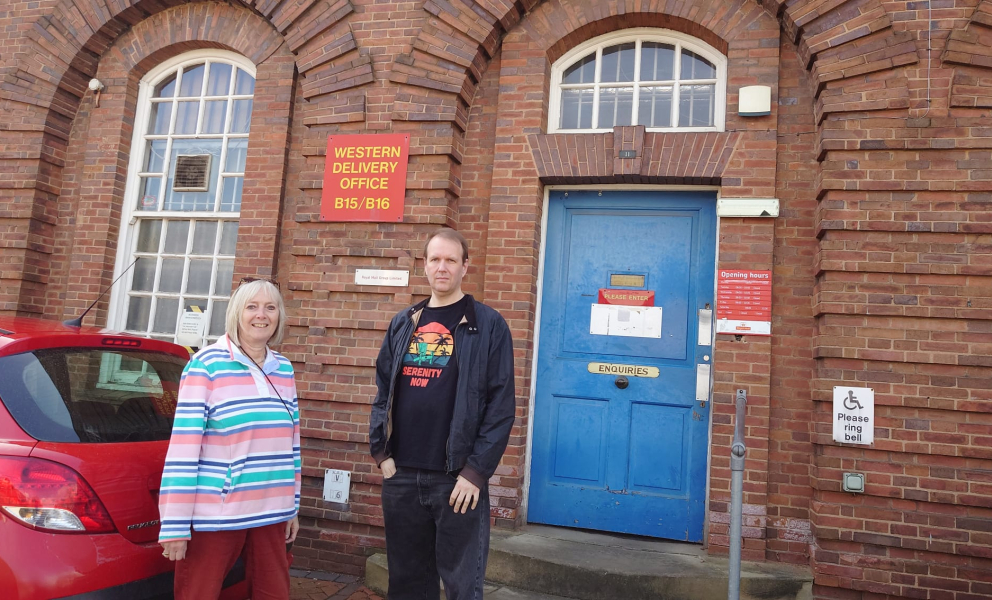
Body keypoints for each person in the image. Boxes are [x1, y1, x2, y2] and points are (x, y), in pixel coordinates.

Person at [369, 227, 516, 600]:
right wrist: (381, 453)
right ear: (424, 266)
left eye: (451, 260)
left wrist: (476, 472)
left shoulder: (489, 326)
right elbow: (383, 390)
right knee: (407, 584)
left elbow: (501, 409)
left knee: (462, 587)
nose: (442, 267)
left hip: (456, 481)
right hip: (402, 476)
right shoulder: (405, 322)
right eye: (435, 259)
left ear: (465, 266)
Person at [158, 278, 301, 600]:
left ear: (279, 315)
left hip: (272, 511)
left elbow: (292, 443)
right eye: (252, 306)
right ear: (237, 312)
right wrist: (175, 525)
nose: (261, 315)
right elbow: (184, 449)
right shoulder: (205, 365)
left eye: (270, 307)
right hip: (218, 515)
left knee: (273, 593)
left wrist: (292, 506)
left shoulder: (284, 369)